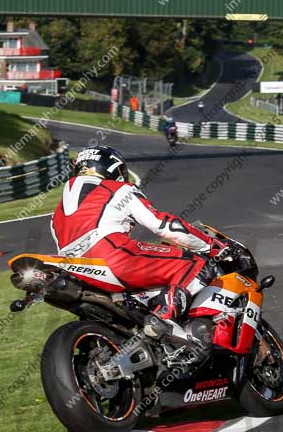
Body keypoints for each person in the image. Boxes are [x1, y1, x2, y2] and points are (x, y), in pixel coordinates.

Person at [50, 145, 231, 339]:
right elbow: (162, 224)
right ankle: (163, 317)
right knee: (197, 264)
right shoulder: (119, 189)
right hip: (113, 257)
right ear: (110, 169)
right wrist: (210, 245)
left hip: (76, 270)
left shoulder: (56, 214)